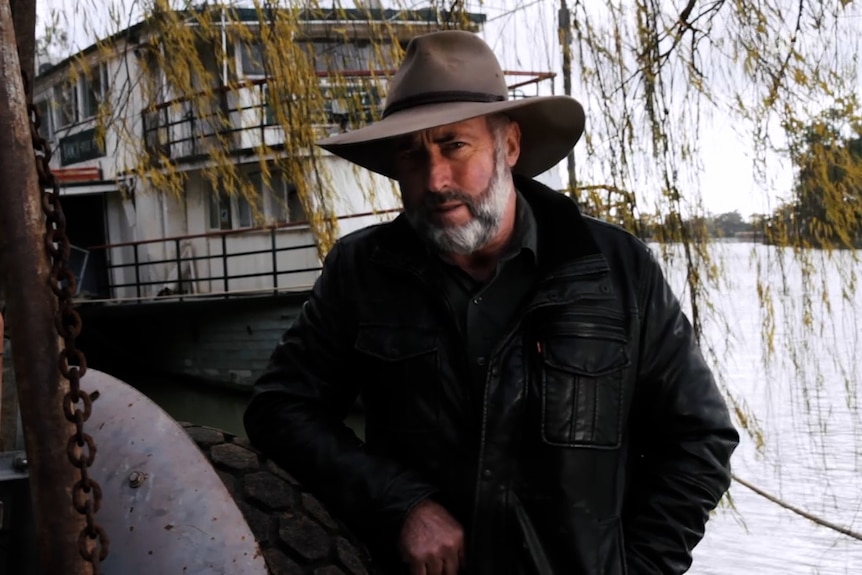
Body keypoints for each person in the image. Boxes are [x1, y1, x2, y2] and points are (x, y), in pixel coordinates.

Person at [244, 30, 739, 575]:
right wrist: (400, 504)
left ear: (509, 145)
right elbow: (280, 410)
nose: (435, 180)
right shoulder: (361, 271)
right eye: (412, 154)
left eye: (455, 145)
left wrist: (640, 568)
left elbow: (698, 440)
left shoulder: (617, 270)